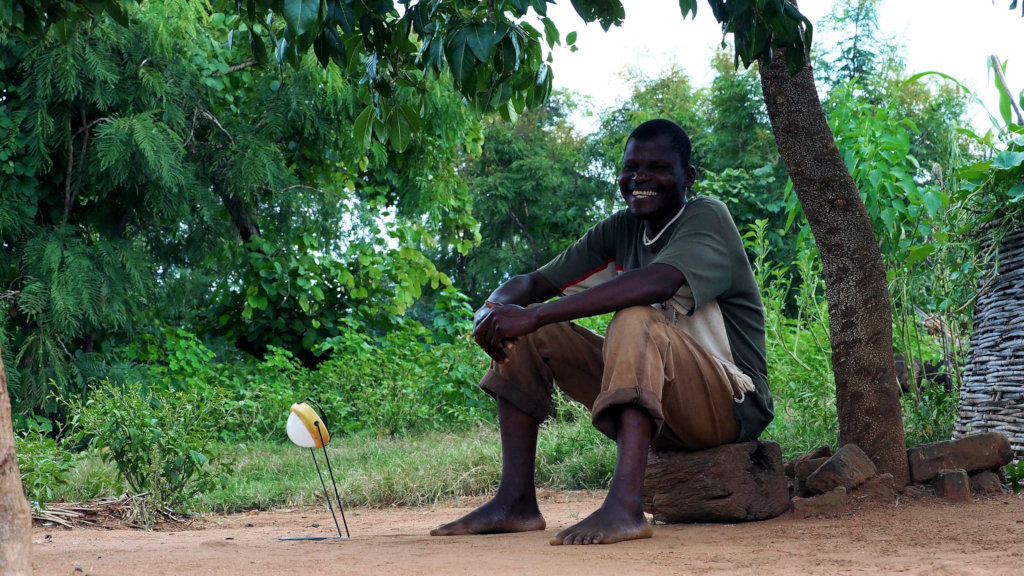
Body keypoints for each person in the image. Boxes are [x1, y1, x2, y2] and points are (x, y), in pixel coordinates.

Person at [430, 119, 772, 545]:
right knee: (533, 327)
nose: (640, 178)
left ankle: (625, 506)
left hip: (730, 404)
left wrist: (534, 315)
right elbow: (534, 283)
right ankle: (515, 500)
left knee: (632, 318)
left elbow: (658, 283)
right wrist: (493, 309)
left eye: (657, 167)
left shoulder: (706, 216)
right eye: (631, 167)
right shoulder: (621, 228)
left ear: (688, 178)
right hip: (666, 403)